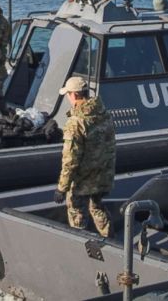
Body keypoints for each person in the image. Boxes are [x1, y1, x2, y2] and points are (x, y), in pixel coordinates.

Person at [52, 76, 116, 237]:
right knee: (98, 207)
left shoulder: (76, 123)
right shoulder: (103, 113)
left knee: (76, 212)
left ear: (74, 95)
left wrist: (62, 188)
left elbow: (70, 161)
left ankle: (80, 244)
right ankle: (111, 241)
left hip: (83, 179)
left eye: (68, 94)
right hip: (103, 175)